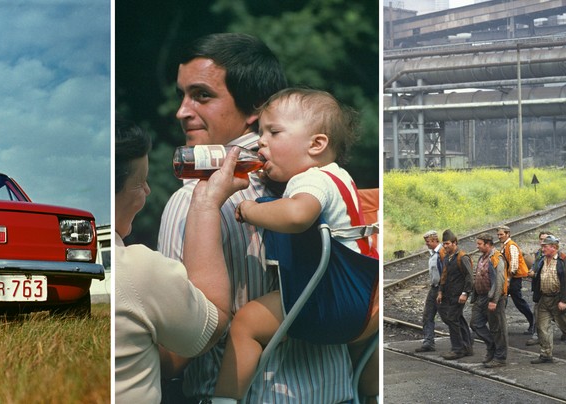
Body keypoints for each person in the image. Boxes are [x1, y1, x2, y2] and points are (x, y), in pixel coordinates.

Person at [158, 34, 356, 403]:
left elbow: (180, 343)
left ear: (254, 109)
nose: (181, 111)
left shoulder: (193, 199)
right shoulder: (331, 184)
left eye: (201, 95)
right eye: (182, 95)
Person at [205, 88, 376, 403]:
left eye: (274, 132)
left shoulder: (310, 180)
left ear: (316, 144)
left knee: (245, 323)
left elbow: (298, 215)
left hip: (328, 300)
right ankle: (371, 393)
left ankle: (224, 399)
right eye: (260, 132)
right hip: (362, 306)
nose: (260, 142)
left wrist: (251, 210)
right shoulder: (341, 178)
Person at [114, 122, 249, 403]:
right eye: (140, 183)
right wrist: (205, 204)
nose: (148, 191)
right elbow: (214, 321)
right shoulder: (136, 269)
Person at [530, 235, 566, 364]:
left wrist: (564, 300)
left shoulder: (564, 260)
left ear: (554, 247)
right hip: (544, 298)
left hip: (558, 299)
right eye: (542, 246)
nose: (542, 249)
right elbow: (538, 275)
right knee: (542, 327)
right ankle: (546, 353)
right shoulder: (542, 259)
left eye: (545, 246)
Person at [470, 233, 508, 368]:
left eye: (479, 244)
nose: (477, 246)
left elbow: (499, 281)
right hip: (481, 297)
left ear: (487, 244)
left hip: (493, 298)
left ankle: (500, 357)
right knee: (475, 323)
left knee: (497, 328)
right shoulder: (482, 257)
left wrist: (494, 300)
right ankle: (491, 346)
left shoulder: (496, 258)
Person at [436, 229, 474, 360]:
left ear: (454, 243)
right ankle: (467, 346)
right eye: (444, 244)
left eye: (447, 243)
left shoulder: (462, 257)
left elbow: (469, 277)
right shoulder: (447, 257)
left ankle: (457, 349)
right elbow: (444, 275)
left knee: (452, 319)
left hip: (458, 295)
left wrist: (465, 293)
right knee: (459, 319)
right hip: (449, 295)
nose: (445, 246)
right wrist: (440, 291)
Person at [497, 226, 535, 335]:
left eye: (501, 234)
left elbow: (514, 265)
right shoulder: (505, 245)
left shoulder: (511, 246)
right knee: (503, 300)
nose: (499, 237)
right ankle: (498, 325)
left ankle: (533, 322)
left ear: (508, 234)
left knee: (518, 302)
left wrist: (508, 279)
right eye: (498, 235)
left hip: (513, 279)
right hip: (509, 279)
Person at [416, 230, 444, 353]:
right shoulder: (433, 253)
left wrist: (442, 291)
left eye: (428, 242)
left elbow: (445, 273)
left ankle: (464, 341)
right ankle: (428, 342)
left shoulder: (441, 253)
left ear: (434, 241)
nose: (426, 244)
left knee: (449, 317)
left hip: (441, 289)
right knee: (427, 315)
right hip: (434, 288)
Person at [526, 231, 552, 346]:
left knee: (559, 315)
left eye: (545, 239)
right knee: (538, 312)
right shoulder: (538, 253)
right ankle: (537, 335)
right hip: (539, 289)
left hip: (551, 290)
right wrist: (532, 271)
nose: (542, 242)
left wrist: (534, 274)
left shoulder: (554, 255)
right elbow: (535, 266)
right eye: (541, 239)